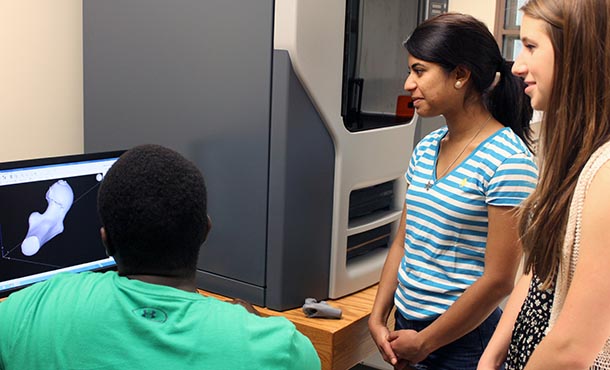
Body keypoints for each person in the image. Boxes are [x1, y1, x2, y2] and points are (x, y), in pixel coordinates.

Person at [0, 144, 321, 370]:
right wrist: (245, 328)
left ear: (106, 241)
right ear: (205, 232)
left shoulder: (24, 310)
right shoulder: (283, 351)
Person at [368, 13, 539, 370]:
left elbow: (498, 280)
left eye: (419, 71)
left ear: (460, 75)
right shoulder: (428, 146)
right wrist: (378, 315)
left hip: (461, 344)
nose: (408, 84)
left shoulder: (508, 161)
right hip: (408, 331)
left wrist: (426, 342)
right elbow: (404, 239)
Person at [478, 0, 610, 369]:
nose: (517, 66)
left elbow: (572, 349)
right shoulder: (573, 154)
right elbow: (540, 271)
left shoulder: (606, 173)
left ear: (577, 54)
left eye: (531, 47)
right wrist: (491, 356)